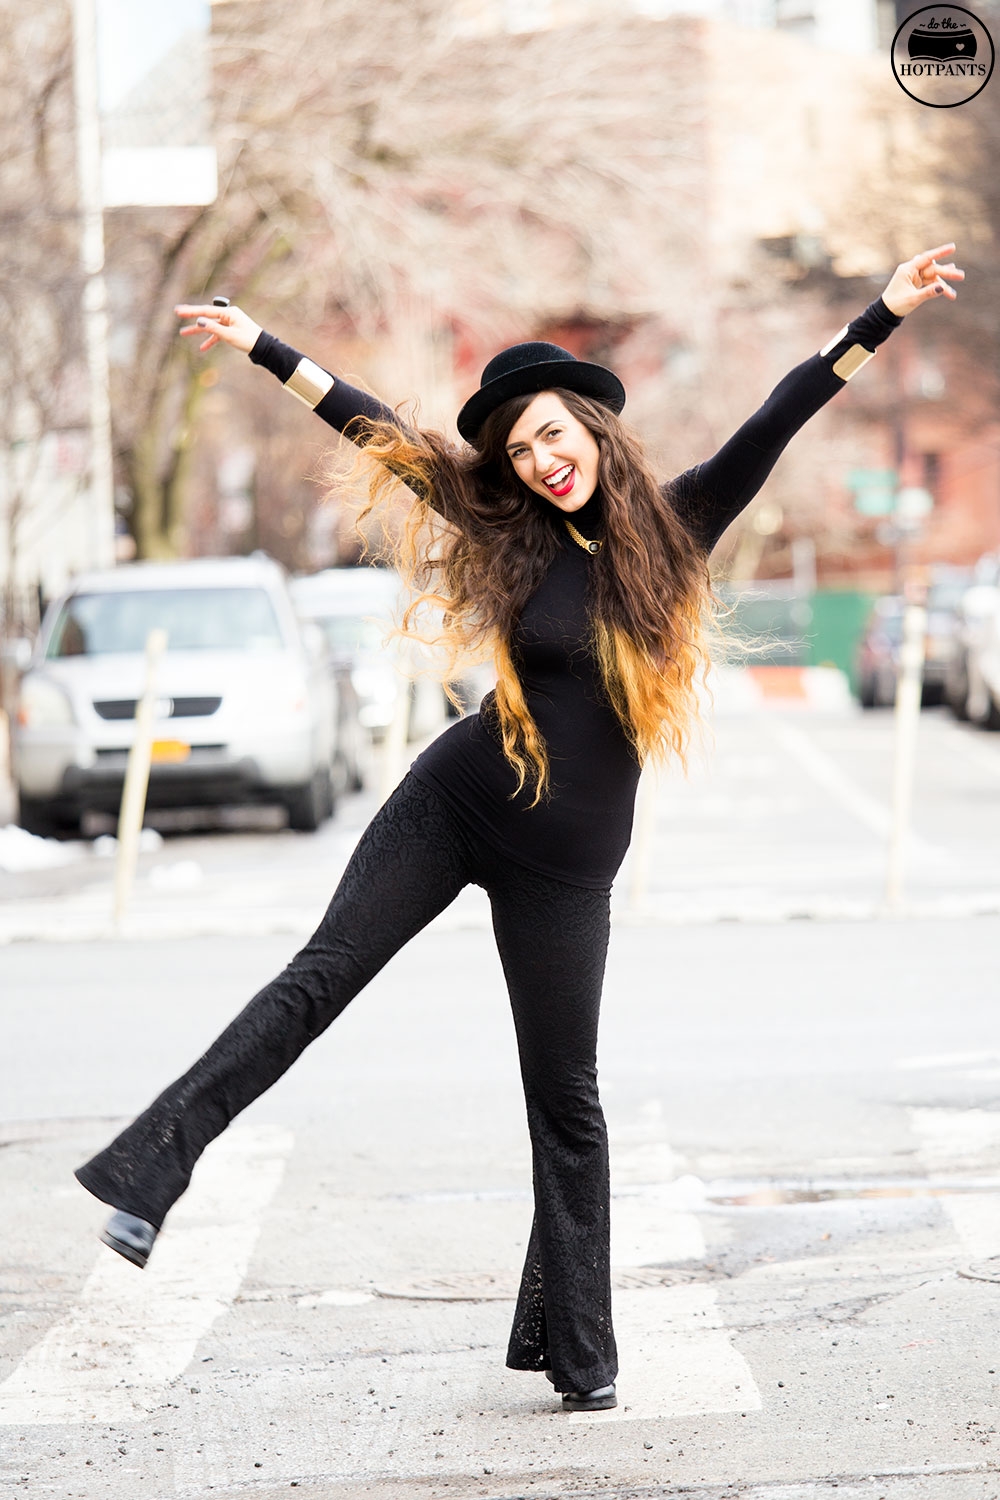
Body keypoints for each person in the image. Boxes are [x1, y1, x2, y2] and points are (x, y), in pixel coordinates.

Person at [75, 243, 963, 1412]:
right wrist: (264, 348)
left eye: (555, 436)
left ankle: (576, 1354)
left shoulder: (679, 523)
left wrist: (880, 314)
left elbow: (780, 412)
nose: (541, 462)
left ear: (593, 428)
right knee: (319, 977)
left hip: (567, 862)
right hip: (456, 799)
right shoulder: (505, 527)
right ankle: (151, 1170)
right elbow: (380, 434)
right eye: (520, 448)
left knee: (567, 1101)